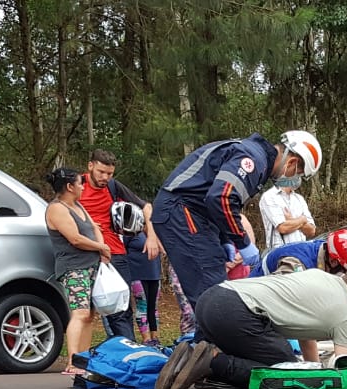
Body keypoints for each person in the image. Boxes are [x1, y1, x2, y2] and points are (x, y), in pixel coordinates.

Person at [151, 130, 322, 308]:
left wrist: (224, 238)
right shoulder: (253, 160)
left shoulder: (255, 156)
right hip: (181, 211)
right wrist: (243, 242)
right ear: (292, 162)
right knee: (212, 290)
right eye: (298, 173)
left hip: (192, 213)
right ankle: (215, 335)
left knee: (214, 286)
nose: (294, 178)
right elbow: (221, 198)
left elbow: (214, 199)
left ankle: (211, 335)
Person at [153, 265, 347, 389]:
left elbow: (306, 335)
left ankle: (190, 361)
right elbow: (345, 369)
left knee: (290, 362)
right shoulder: (344, 316)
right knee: (285, 370)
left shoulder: (319, 275)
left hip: (212, 298)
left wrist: (311, 367)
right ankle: (211, 361)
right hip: (235, 312)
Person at [78, 149, 162, 339]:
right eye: (101, 172)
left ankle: (126, 349)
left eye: (109, 174)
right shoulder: (77, 185)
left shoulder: (113, 187)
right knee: (85, 312)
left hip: (115, 253)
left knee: (121, 307)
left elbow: (146, 206)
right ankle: (80, 358)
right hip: (84, 254)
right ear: (90, 166)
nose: (105, 177)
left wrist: (151, 237)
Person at [44, 167, 111, 375]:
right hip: (74, 268)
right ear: (69, 186)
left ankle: (84, 359)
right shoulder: (57, 209)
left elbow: (95, 228)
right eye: (80, 183)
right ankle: (72, 360)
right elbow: (75, 238)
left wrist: (103, 249)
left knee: (90, 315)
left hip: (91, 265)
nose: (83, 187)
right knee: (80, 313)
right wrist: (100, 247)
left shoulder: (78, 206)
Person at [251, 229, 347, 277]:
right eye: (343, 270)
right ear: (333, 262)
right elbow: (282, 297)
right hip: (253, 301)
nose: (343, 275)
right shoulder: (296, 266)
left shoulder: (324, 248)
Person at [258, 174, 316, 249]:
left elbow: (311, 231)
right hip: (280, 253)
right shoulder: (269, 196)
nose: (299, 177)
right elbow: (283, 228)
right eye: (297, 173)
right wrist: (303, 220)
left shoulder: (299, 199)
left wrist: (291, 220)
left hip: (302, 251)